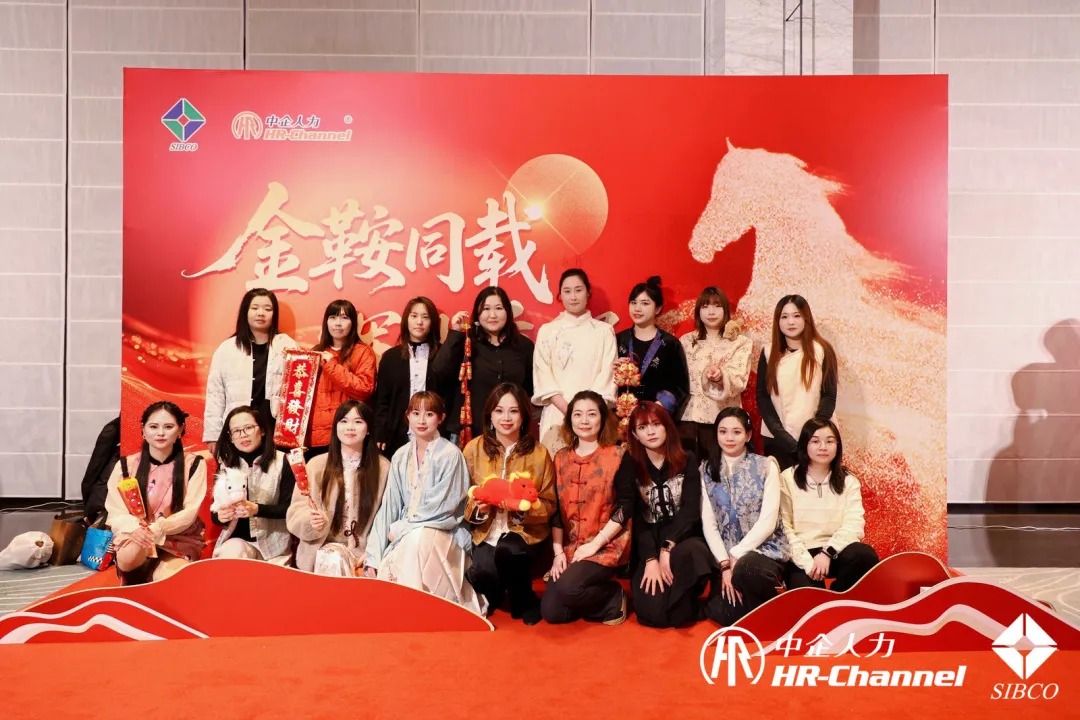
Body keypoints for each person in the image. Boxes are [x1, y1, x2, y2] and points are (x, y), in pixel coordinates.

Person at [365, 392, 486, 613]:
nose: (421, 420)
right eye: (416, 413)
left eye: (429, 414)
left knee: (417, 539)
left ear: (441, 418)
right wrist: (373, 555)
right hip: (406, 533)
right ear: (407, 416)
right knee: (411, 541)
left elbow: (443, 508)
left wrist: (403, 528)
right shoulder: (400, 456)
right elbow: (390, 506)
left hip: (445, 532)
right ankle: (403, 609)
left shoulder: (451, 455)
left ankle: (414, 609)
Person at [462, 383, 555, 625]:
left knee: (508, 551)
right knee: (481, 573)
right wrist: (479, 510)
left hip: (525, 532)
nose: (506, 418)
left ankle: (524, 599)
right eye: (499, 411)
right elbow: (462, 497)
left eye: (513, 411)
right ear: (490, 415)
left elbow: (549, 503)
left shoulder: (539, 454)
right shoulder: (473, 449)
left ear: (523, 416)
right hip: (485, 532)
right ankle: (496, 592)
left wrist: (523, 510)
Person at [541, 390, 634, 626]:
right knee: (552, 613)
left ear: (602, 418)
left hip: (606, 544)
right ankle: (590, 598)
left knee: (569, 588)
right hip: (571, 546)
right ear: (569, 419)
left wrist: (595, 544)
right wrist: (558, 553)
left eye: (591, 414)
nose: (584, 421)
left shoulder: (617, 455)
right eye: (578, 414)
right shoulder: (560, 458)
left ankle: (613, 595)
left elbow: (626, 506)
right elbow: (555, 510)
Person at [624, 402, 713, 628]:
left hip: (682, 538)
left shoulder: (687, 459)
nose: (651, 432)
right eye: (642, 427)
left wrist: (667, 547)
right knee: (654, 614)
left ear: (667, 427)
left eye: (656, 424)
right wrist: (650, 558)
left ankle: (684, 600)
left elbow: (690, 511)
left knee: (692, 553)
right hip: (648, 540)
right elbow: (636, 518)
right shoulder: (630, 464)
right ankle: (681, 605)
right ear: (634, 434)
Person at [701, 407, 791, 625]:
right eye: (723, 431)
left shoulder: (766, 466)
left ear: (748, 435)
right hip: (724, 557)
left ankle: (775, 610)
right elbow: (709, 523)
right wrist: (725, 565)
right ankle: (761, 613)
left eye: (736, 432)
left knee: (747, 570)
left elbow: (768, 521)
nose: (729, 438)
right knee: (722, 611)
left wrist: (738, 554)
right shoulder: (706, 469)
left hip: (763, 550)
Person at [105, 401, 207, 585]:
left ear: (180, 430)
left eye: (168, 427)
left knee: (172, 581)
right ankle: (138, 576)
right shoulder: (126, 465)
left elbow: (190, 511)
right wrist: (135, 529)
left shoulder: (194, 464)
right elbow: (115, 510)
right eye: (153, 427)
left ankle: (157, 572)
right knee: (129, 555)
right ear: (143, 430)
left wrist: (158, 528)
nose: (161, 433)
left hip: (177, 537)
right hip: (137, 535)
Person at [287, 401, 389, 576]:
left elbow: (388, 514)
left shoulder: (383, 468)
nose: (350, 427)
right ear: (335, 427)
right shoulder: (316, 465)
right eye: (344, 421)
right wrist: (311, 521)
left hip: (365, 550)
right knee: (332, 558)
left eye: (358, 421)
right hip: (324, 547)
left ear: (368, 429)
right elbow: (297, 509)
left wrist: (374, 550)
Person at [780, 419, 879, 591]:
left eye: (830, 441)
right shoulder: (787, 478)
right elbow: (784, 527)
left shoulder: (849, 481)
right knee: (809, 600)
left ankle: (838, 593)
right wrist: (808, 563)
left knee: (864, 555)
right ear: (804, 445)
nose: (823, 447)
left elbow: (854, 524)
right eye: (815, 441)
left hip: (835, 550)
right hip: (801, 553)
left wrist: (827, 552)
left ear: (837, 446)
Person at [433, 286, 535, 444]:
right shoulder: (465, 342)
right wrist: (456, 333)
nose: (492, 315)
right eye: (486, 309)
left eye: (499, 308)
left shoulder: (524, 346)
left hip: (510, 432)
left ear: (508, 312)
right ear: (477, 313)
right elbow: (439, 370)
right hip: (469, 433)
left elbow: (529, 389)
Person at [203, 288, 297, 455]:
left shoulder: (287, 345)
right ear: (245, 311)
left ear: (274, 314)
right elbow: (215, 394)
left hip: (275, 429)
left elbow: (298, 390)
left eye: (267, 309)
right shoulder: (227, 348)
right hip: (238, 429)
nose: (261, 313)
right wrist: (213, 435)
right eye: (255, 308)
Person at [533, 269, 617, 454]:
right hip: (557, 415)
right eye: (567, 291)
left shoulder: (604, 331)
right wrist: (570, 411)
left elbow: (608, 373)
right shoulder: (547, 331)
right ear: (560, 295)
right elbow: (543, 375)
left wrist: (586, 414)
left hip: (595, 418)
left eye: (578, 290)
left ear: (588, 293)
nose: (573, 296)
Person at [756, 294, 838, 470]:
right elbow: (763, 397)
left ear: (806, 318)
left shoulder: (822, 350)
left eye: (796, 316)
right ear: (778, 321)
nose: (790, 322)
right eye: (784, 317)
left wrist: (813, 435)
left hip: (817, 440)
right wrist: (781, 435)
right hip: (777, 438)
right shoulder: (768, 352)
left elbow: (829, 396)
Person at [210, 406, 294, 563]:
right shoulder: (226, 466)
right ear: (230, 437)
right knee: (230, 557)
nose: (243, 435)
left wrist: (257, 509)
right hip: (238, 542)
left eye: (248, 428)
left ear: (262, 430)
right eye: (236, 431)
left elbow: (290, 508)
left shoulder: (283, 461)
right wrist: (220, 516)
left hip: (275, 547)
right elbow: (215, 511)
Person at [679, 286, 753, 460]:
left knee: (719, 468)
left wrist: (721, 376)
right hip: (688, 419)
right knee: (689, 468)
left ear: (725, 310)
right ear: (698, 311)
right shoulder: (686, 341)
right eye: (705, 306)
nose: (711, 312)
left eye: (717, 306)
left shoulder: (740, 342)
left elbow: (739, 379)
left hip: (724, 421)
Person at [306, 300, 376, 459]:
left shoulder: (363, 352)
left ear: (353, 323)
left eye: (344, 318)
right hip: (315, 437)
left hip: (348, 435)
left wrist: (330, 365)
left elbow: (364, 389)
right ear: (326, 322)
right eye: (333, 317)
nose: (338, 323)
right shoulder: (316, 352)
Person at [373, 297, 442, 459]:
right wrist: (380, 431)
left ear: (432, 322)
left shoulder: (442, 355)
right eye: (414, 316)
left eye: (425, 317)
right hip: (397, 434)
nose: (419, 322)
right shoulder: (390, 357)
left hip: (435, 435)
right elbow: (382, 400)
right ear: (406, 320)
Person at [615, 276, 689, 417]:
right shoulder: (619, 340)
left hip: (655, 418)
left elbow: (680, 387)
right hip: (621, 416)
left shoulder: (670, 344)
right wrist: (611, 369)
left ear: (658, 308)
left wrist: (657, 408)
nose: (637, 308)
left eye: (645, 303)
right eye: (633, 302)